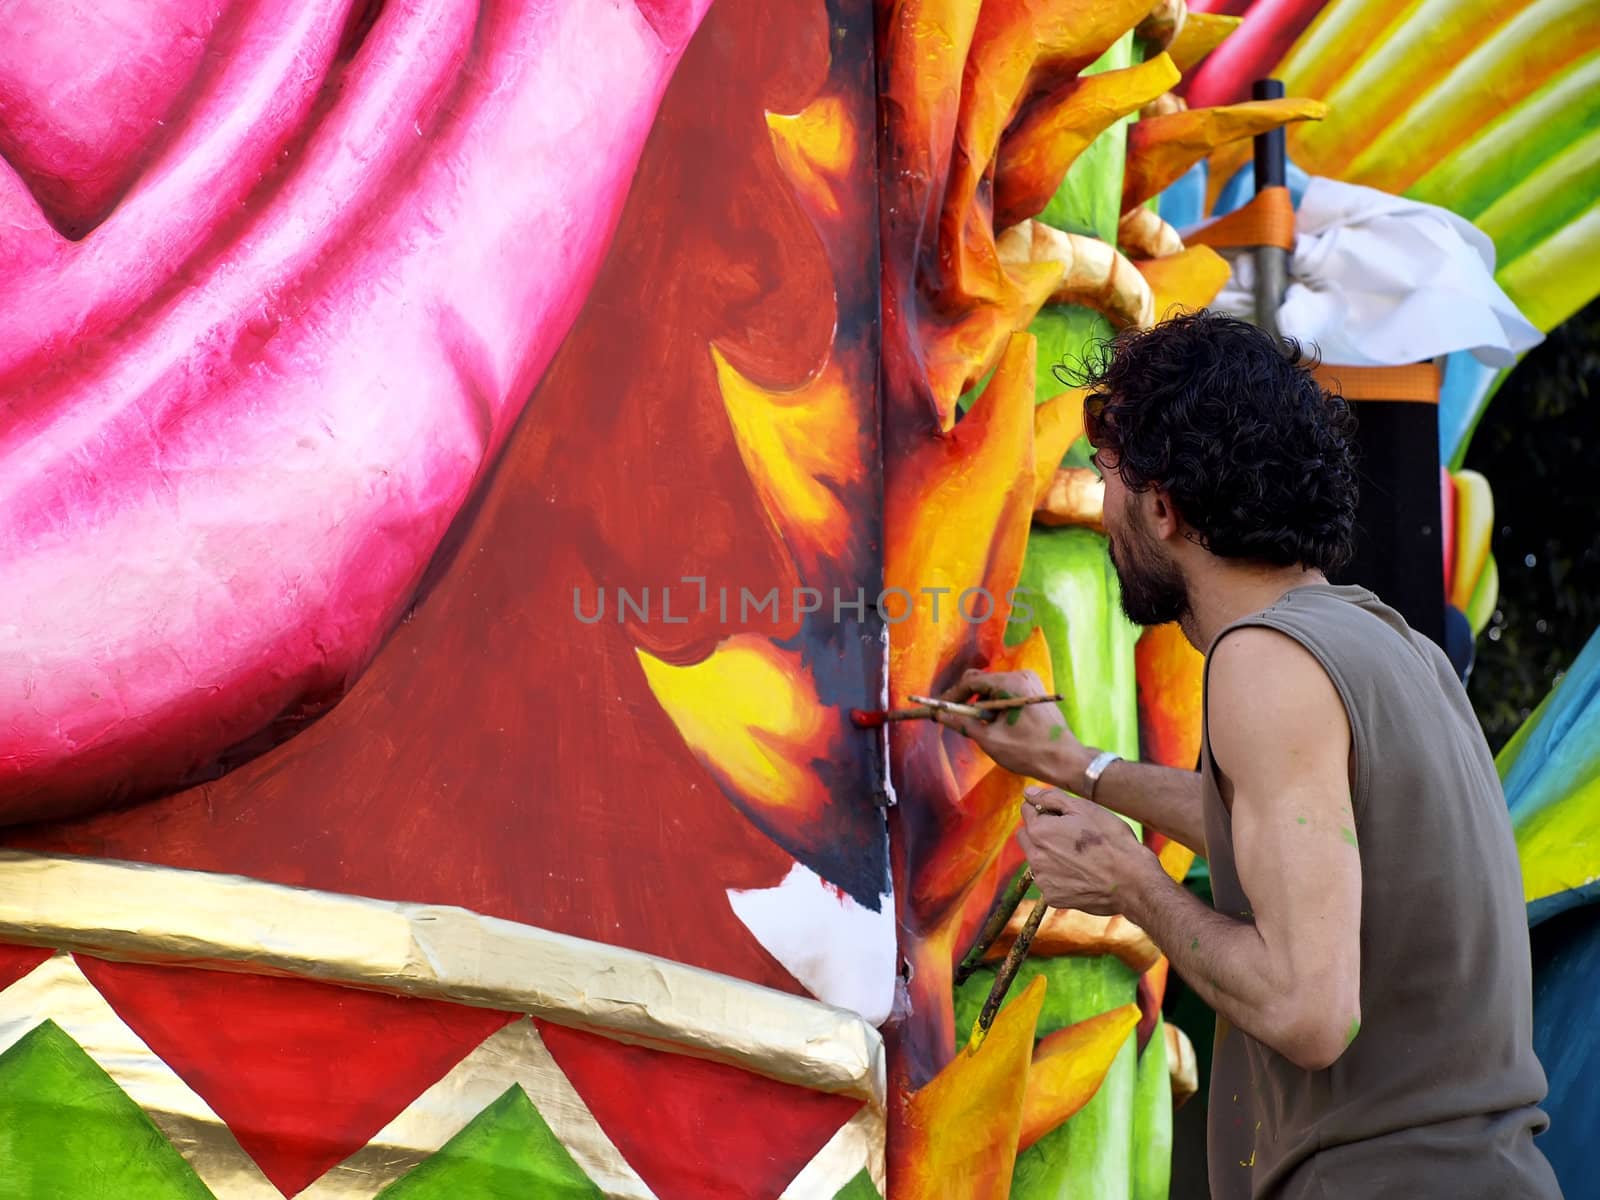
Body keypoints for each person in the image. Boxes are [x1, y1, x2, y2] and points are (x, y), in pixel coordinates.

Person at [939, 312, 1560, 1199]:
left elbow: (1308, 1012)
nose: (1104, 512)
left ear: (1164, 508)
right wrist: (1077, 764)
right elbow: (1296, 846)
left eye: (1108, 483)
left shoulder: (1263, 661)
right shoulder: (1392, 646)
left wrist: (1128, 883)